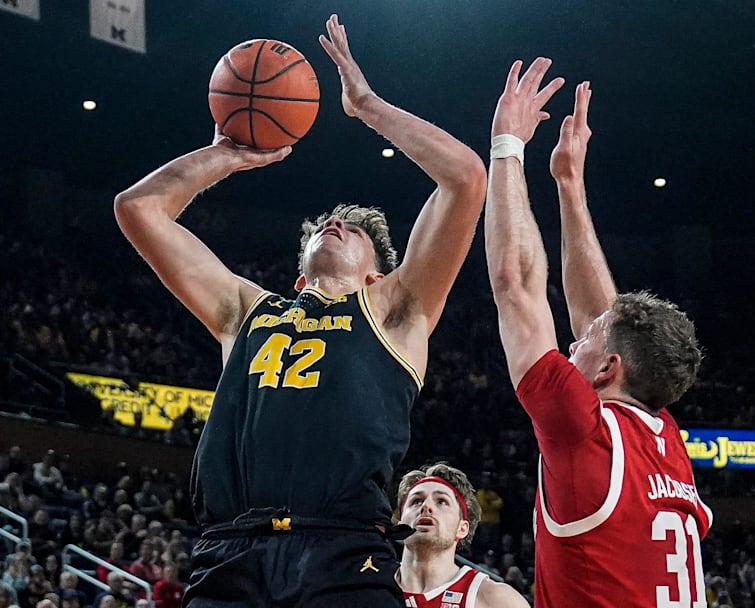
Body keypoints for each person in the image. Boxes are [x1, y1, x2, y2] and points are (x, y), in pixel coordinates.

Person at [113, 13, 486, 608]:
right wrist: (227, 155)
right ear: (298, 274)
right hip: (231, 552)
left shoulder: (394, 310)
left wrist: (367, 107)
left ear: (376, 275)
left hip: (344, 552)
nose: (334, 223)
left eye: (351, 230)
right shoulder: (247, 311)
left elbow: (465, 178)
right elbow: (138, 209)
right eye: (324, 226)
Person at [484, 58, 712, 607]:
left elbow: (515, 283)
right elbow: (608, 322)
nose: (574, 340)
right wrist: (570, 186)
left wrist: (507, 146)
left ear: (611, 368)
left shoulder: (582, 430)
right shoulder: (663, 439)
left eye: (586, 341)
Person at [395, 463, 529, 607]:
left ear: (462, 528)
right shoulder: (377, 583)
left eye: (441, 501)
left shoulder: (496, 600)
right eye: (416, 501)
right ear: (399, 524)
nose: (426, 506)